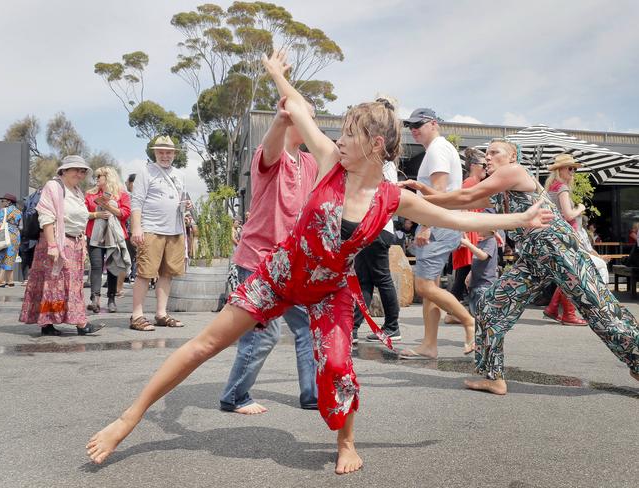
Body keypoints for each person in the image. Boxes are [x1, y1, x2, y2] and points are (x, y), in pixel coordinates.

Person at [86, 50, 552, 473]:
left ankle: (346, 442)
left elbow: (460, 213)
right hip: (280, 275)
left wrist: (524, 218)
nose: (338, 139)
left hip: (329, 291)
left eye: (350, 133)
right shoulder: (330, 162)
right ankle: (128, 419)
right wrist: (276, 75)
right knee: (206, 344)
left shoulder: (393, 199)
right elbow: (299, 109)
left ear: (374, 145)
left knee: (338, 365)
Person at [405, 138, 639, 395]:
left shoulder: (514, 172)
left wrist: (420, 196)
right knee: (490, 305)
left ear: (512, 156)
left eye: (495, 153)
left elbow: (467, 195)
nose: (488, 158)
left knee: (600, 311)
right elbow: (462, 203)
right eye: (486, 154)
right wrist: (424, 194)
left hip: (558, 250)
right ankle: (493, 376)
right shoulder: (500, 193)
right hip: (533, 259)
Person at [219, 98, 319, 415]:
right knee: (264, 334)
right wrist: (279, 118)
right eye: (307, 117)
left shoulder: (310, 163)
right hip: (258, 260)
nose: (312, 124)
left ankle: (312, 394)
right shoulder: (271, 156)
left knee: (308, 325)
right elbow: (271, 148)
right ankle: (234, 397)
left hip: (291, 263)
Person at [398, 108, 475, 359]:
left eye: (418, 124)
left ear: (433, 124)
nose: (414, 129)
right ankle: (429, 345)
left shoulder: (438, 149)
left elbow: (439, 191)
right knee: (429, 285)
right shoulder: (439, 148)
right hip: (443, 223)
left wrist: (427, 225)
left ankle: (467, 321)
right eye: (411, 125)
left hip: (438, 224)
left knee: (424, 286)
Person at [19, 155, 105, 336]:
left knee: (70, 285)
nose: (79, 174)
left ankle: (57, 322)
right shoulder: (54, 187)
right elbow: (46, 216)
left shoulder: (76, 190)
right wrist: (52, 245)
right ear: (64, 170)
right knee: (54, 284)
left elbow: (77, 217)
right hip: (56, 242)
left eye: (82, 171)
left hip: (73, 243)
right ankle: (74, 324)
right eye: (75, 169)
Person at [129, 136, 190, 331]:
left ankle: (161, 313)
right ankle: (137, 315)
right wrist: (137, 228)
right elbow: (136, 201)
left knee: (167, 273)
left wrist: (186, 206)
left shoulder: (179, 175)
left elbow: (181, 199)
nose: (165, 155)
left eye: (169, 152)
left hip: (175, 229)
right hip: (152, 228)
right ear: (155, 153)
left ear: (174, 154)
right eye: (161, 152)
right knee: (145, 273)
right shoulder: (145, 172)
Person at [352, 159, 401, 343]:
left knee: (380, 278)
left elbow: (388, 196)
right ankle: (354, 328)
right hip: (369, 227)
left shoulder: (385, 164)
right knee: (365, 279)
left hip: (377, 227)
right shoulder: (381, 164)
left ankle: (392, 326)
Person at [541, 155, 588, 326]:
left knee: (567, 273)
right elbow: (568, 215)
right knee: (572, 274)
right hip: (568, 236)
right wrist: (580, 208)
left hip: (558, 235)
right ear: (559, 170)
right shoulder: (562, 188)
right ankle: (568, 314)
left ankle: (554, 309)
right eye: (570, 168)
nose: (573, 172)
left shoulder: (550, 188)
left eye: (574, 168)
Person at [445, 148, 487, 323]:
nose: (486, 168)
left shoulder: (472, 182)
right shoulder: (470, 182)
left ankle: (455, 312)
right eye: (484, 165)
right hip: (468, 233)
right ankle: (454, 312)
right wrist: (462, 233)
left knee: (465, 273)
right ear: (474, 166)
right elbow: (461, 207)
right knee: (465, 273)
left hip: (470, 232)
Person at [85, 167, 131, 313]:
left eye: (100, 176)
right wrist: (96, 215)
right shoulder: (90, 194)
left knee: (113, 267)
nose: (97, 179)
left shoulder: (121, 194)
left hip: (114, 236)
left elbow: (125, 213)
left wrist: (108, 207)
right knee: (96, 266)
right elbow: (82, 213)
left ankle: (111, 299)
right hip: (94, 235)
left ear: (108, 177)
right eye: (96, 177)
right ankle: (95, 299)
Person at [0, 193, 22, 287]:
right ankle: (9, 281)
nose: (1, 202)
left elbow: (0, 224)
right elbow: (21, 226)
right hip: (16, 236)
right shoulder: (19, 212)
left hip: (5, 235)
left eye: (3, 201)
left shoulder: (3, 210)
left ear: (9, 202)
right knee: (10, 257)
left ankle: (7, 281)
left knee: (3, 255)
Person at [19, 188, 43, 284]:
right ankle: (32, 278)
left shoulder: (28, 200)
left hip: (26, 233)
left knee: (25, 256)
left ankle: (26, 279)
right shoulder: (40, 199)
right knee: (34, 256)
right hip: (38, 233)